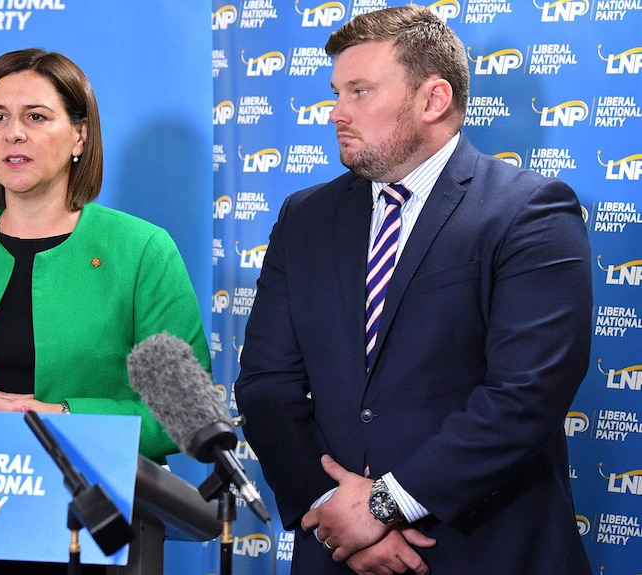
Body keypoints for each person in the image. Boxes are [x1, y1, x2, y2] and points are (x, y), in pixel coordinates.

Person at [234, 6, 593, 575]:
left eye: (359, 91)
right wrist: (336, 514)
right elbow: (265, 386)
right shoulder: (305, 216)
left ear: (433, 100)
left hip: (484, 551)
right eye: (336, 92)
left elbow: (526, 394)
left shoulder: (530, 213)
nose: (336, 113)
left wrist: (384, 505)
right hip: (338, 555)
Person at [0, 48, 211, 575]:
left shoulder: (141, 249)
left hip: (99, 529)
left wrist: (61, 420)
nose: (13, 133)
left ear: (79, 136)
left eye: (36, 117)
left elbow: (183, 416)